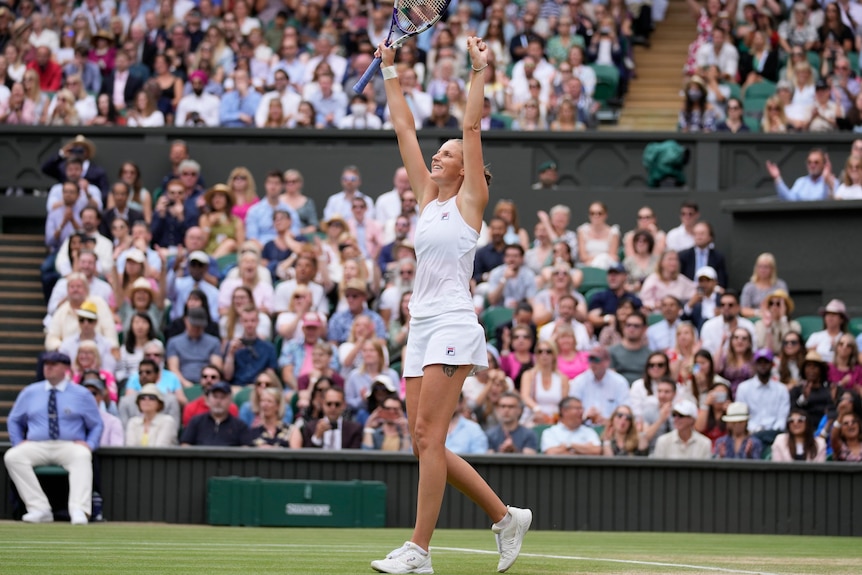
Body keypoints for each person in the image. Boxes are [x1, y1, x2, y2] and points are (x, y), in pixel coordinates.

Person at [369, 37, 531, 575]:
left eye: (449, 154)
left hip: (455, 325)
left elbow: (471, 128)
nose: (438, 155)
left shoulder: (470, 202)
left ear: (467, 170)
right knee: (422, 442)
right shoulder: (426, 199)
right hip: (421, 326)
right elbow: (404, 130)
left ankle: (419, 550)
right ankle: (506, 518)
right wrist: (390, 72)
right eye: (437, 154)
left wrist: (479, 70)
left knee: (430, 438)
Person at [4, 351, 102, 525]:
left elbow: (96, 424)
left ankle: (79, 509)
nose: (48, 367)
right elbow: (14, 420)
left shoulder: (82, 394)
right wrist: (18, 442)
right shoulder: (30, 392)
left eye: (53, 364)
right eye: (46, 364)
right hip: (37, 444)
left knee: (82, 455)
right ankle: (39, 508)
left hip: (69, 445)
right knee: (13, 456)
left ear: (65, 368)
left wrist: (90, 444)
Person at [736, 348, 791, 445]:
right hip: (750, 434)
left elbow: (782, 418)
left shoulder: (781, 389)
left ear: (772, 364)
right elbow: (742, 415)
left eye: (766, 362)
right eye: (759, 362)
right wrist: (754, 430)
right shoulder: (743, 388)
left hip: (775, 435)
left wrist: (772, 432)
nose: (763, 365)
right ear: (755, 365)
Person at [289, 386, 363, 449]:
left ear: (343, 405)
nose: (333, 408)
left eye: (337, 404)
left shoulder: (354, 429)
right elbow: (307, 459)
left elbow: (354, 458)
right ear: (323, 404)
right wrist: (317, 437)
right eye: (329, 404)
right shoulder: (311, 427)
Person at [180, 380, 248, 446]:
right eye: (215, 397)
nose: (218, 401)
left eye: (223, 397)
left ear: (230, 400)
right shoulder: (196, 421)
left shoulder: (240, 426)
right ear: (208, 399)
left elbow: (246, 449)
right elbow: (185, 445)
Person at [765, 148, 835, 201]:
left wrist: (827, 182)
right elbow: (789, 199)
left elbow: (828, 200)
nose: (812, 165)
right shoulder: (801, 182)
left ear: (824, 164)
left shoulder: (832, 181)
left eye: (816, 162)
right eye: (809, 162)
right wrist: (777, 178)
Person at [677, 222, 728, 288]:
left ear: (710, 237)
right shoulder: (683, 256)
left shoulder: (718, 257)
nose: (699, 237)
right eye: (696, 234)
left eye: (702, 234)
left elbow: (721, 281)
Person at [609, 311, 652, 384]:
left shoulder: (650, 354)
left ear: (644, 329)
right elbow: (609, 378)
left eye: (636, 326)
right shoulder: (611, 351)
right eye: (628, 325)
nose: (631, 329)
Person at [754, 290, 801, 355]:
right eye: (771, 303)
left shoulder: (794, 325)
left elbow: (789, 346)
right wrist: (768, 328)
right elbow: (761, 345)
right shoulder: (759, 324)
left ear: (786, 307)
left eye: (778, 304)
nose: (774, 306)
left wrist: (783, 319)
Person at [807, 299, 848, 363]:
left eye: (834, 314)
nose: (830, 317)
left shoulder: (846, 339)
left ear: (841, 319)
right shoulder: (815, 336)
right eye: (827, 314)